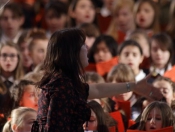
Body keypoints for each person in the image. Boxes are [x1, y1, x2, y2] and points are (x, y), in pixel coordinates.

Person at [31, 28, 162, 132]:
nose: (87, 47)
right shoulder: (61, 87)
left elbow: (97, 89)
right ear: (72, 53)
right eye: (83, 45)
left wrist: (133, 86)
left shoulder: (65, 82)